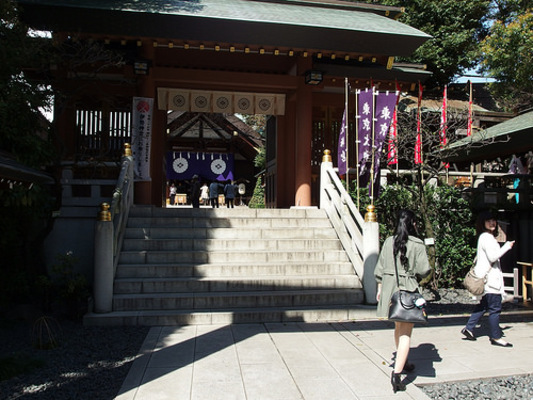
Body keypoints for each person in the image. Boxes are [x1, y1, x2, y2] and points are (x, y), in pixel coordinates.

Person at [374, 209, 431, 393]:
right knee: (406, 332)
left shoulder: (389, 241)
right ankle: (397, 374)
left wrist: (380, 289)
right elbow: (424, 269)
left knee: (398, 327)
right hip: (407, 290)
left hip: (390, 288)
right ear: (413, 223)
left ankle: (402, 360)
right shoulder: (417, 244)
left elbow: (380, 268)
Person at [461, 211, 515, 347]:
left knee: (484, 305)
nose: (492, 223)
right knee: (495, 309)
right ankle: (496, 337)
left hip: (487, 279)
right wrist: (507, 247)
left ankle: (469, 328)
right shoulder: (487, 238)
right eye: (488, 220)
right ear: (482, 223)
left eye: (493, 220)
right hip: (491, 281)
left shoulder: (484, 237)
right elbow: (493, 257)